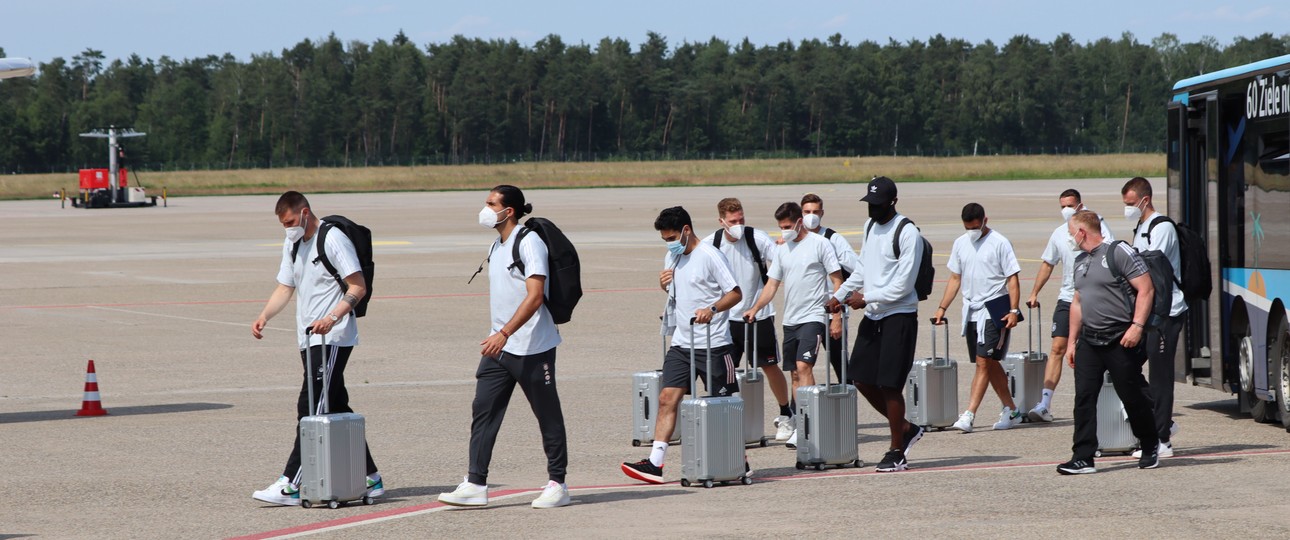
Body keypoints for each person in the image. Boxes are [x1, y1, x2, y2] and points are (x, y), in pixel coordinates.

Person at [438, 185, 571, 509]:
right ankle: (475, 483)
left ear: (508, 210)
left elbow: (535, 296)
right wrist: (500, 336)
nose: (485, 209)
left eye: (490, 203)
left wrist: (505, 333)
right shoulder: (496, 245)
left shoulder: (529, 243)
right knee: (483, 411)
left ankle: (558, 483)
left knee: (547, 414)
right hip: (499, 348)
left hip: (532, 347)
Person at [250, 191, 383, 506]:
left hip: (333, 338)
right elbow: (286, 286)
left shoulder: (333, 239)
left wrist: (332, 317)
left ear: (305, 212)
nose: (288, 228)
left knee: (310, 406)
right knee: (335, 405)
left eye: (291, 222)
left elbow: (358, 286)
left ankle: (291, 484)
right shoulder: (294, 243)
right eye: (284, 224)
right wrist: (264, 315)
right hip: (308, 339)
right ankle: (371, 478)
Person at [622, 206, 743, 484]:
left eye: (673, 237)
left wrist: (712, 309)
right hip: (681, 344)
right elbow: (680, 292)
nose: (670, 243)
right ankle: (655, 463)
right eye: (665, 239)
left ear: (687, 230)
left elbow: (735, 293)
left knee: (721, 407)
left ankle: (737, 459)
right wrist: (664, 285)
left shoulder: (711, 255)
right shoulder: (672, 255)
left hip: (714, 345)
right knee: (667, 399)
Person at [825, 175, 925, 472]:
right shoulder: (870, 227)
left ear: (893, 202)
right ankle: (905, 427)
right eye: (869, 203)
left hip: (899, 316)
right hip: (874, 314)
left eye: (878, 205)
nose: (872, 210)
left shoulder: (907, 233)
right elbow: (863, 269)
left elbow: (905, 285)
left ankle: (897, 449)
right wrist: (840, 295)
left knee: (889, 384)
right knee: (861, 378)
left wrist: (866, 298)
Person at [1057, 210, 1161, 474]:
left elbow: (1146, 289)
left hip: (1120, 337)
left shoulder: (1118, 253)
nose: (1070, 238)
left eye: (1071, 233)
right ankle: (1083, 456)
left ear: (1082, 232)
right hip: (1090, 341)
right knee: (1084, 397)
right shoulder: (1080, 261)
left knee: (1131, 395)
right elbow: (1078, 302)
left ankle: (1150, 445)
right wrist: (1072, 343)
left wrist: (1137, 327)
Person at [743, 202, 844, 449]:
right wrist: (755, 308)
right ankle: (800, 420)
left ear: (799, 221)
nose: (784, 231)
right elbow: (771, 285)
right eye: (780, 227)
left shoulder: (821, 244)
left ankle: (811, 424)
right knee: (795, 374)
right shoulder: (782, 250)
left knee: (804, 365)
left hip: (814, 317)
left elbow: (837, 280)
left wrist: (837, 316)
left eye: (787, 226)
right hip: (791, 320)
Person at [703, 198, 794, 441]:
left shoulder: (757, 238)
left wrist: (784, 245)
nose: (738, 225)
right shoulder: (711, 244)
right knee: (722, 371)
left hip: (757, 314)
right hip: (726, 320)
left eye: (741, 219)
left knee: (770, 366)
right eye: (733, 221)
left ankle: (787, 414)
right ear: (721, 221)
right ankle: (724, 420)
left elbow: (782, 260)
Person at [933, 203, 1026, 432]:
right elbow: (955, 278)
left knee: (984, 362)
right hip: (971, 311)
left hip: (994, 310)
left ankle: (969, 414)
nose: (972, 231)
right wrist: (942, 307)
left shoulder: (1000, 243)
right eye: (968, 227)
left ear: (985, 220)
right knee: (989, 362)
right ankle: (1012, 410)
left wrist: (1014, 311)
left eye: (975, 226)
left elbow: (1012, 278)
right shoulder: (960, 243)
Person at [1024, 189, 1114, 422]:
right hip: (1067, 298)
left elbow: (1111, 257)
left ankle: (1111, 401)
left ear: (1080, 205)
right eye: (1062, 205)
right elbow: (1047, 264)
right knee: (1057, 349)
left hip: (1093, 299)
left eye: (1070, 205)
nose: (1066, 210)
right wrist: (1034, 292)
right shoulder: (1058, 234)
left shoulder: (1099, 228)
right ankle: (1044, 403)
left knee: (1101, 351)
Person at [1122, 177, 1184, 458]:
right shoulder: (1141, 227)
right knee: (1126, 367)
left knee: (1160, 376)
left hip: (1166, 312)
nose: (1128, 208)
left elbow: (1149, 268)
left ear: (1145, 200)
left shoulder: (1163, 227)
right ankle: (1165, 422)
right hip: (1148, 312)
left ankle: (1162, 440)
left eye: (1131, 204)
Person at [801, 193, 860, 382]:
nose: (811, 215)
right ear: (800, 213)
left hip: (831, 310)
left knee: (839, 361)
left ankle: (847, 398)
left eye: (815, 211)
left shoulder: (833, 239)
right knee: (801, 365)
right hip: (805, 312)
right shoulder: (796, 238)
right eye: (807, 211)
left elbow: (858, 267)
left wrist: (843, 305)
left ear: (822, 213)